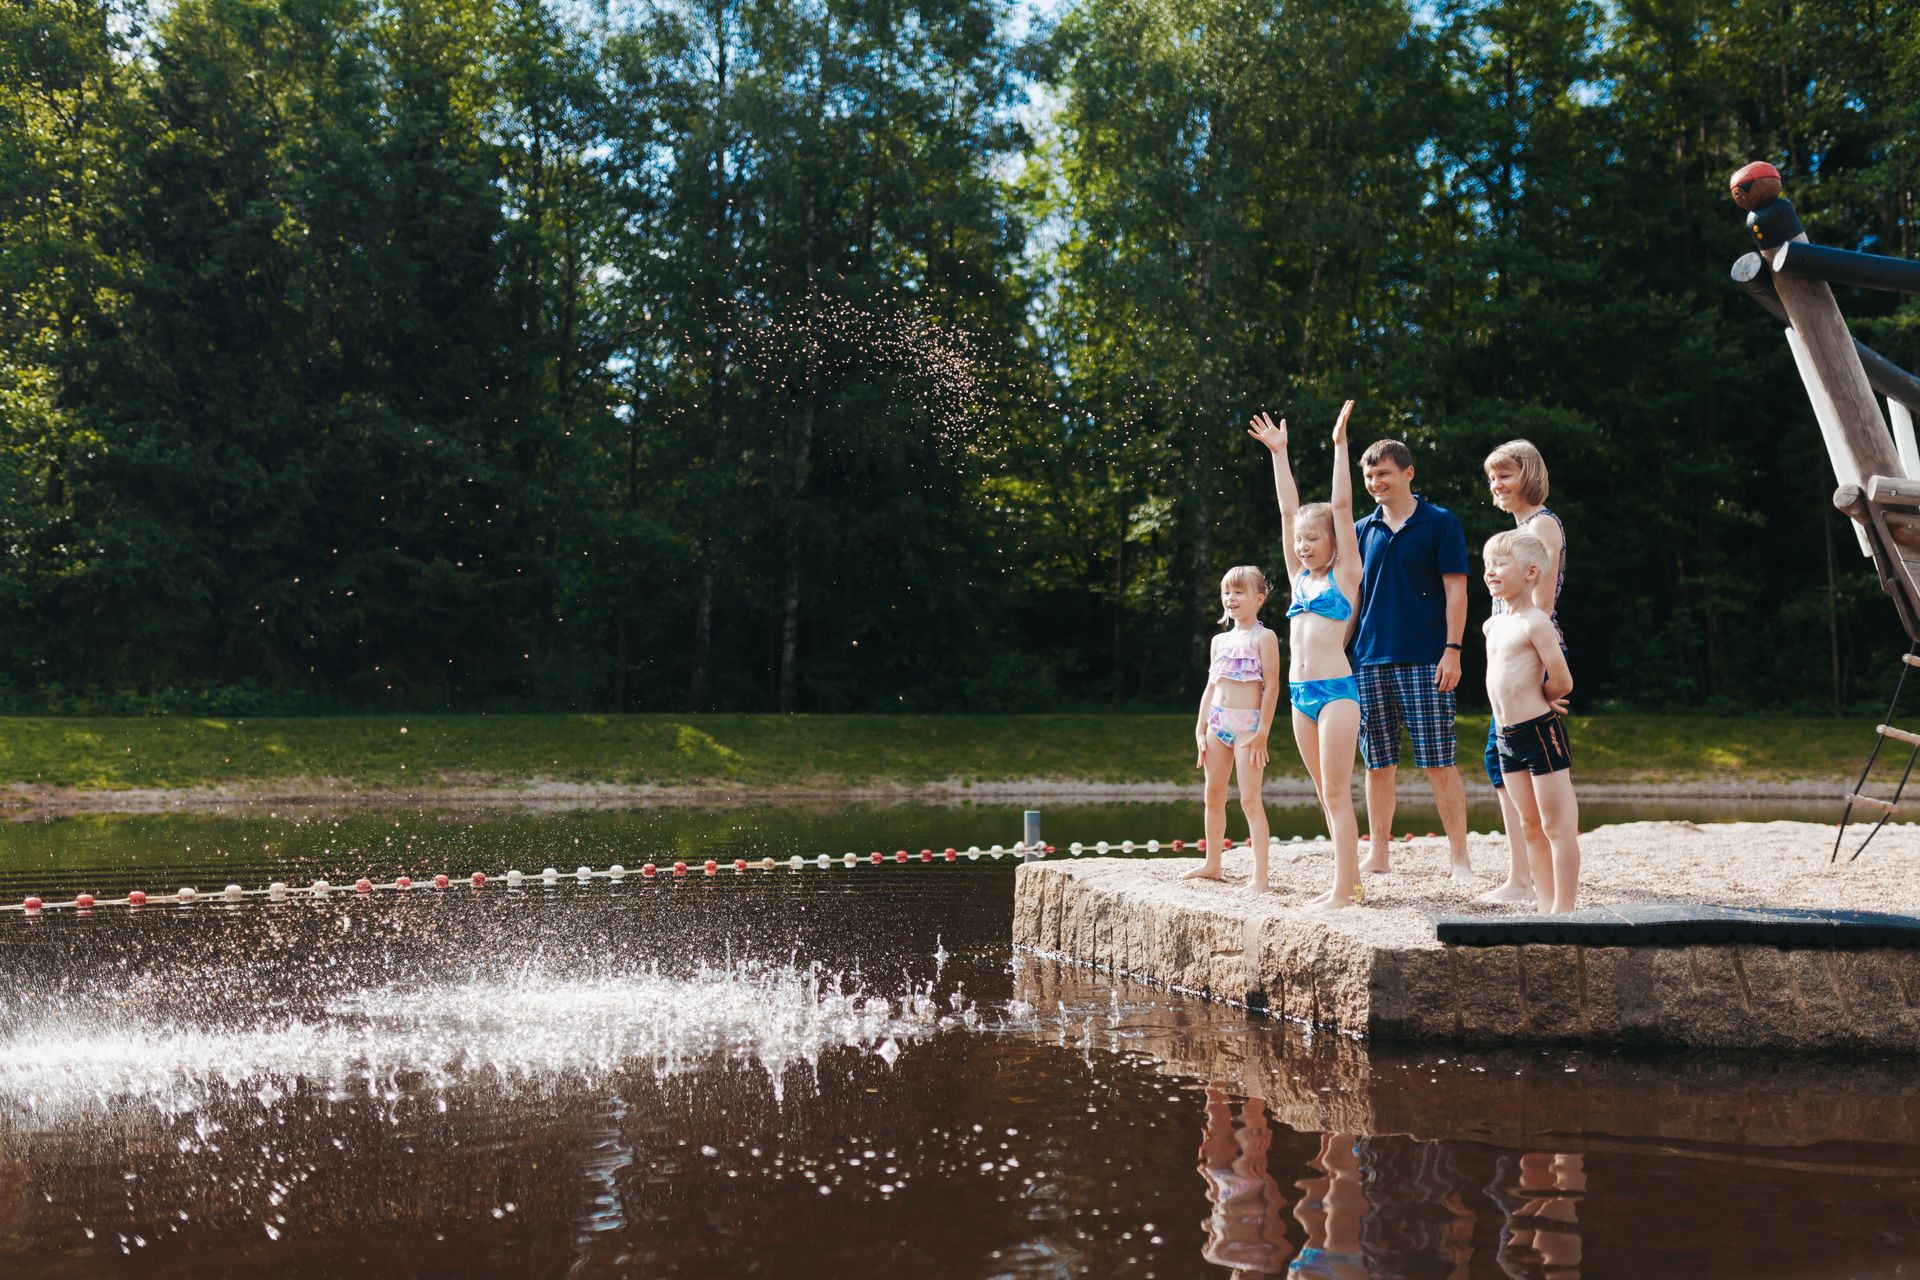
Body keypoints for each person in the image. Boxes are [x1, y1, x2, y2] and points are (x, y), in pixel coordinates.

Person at [1248, 401, 1364, 911]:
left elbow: (1340, 507)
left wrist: (1340, 447)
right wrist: (1279, 454)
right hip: (1300, 695)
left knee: (1337, 792)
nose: (1302, 544)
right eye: (1299, 541)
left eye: (1312, 539)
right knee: (1324, 795)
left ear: (1334, 542)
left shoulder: (1345, 575)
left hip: (1337, 693)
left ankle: (1348, 890)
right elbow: (1286, 510)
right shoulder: (1298, 579)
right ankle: (1346, 882)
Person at [1350, 439, 1474, 879]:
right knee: (1377, 763)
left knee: (1439, 761)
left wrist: (1453, 650)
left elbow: (1457, 591)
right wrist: (1336, 655)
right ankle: (1378, 853)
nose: (1375, 482)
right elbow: (1354, 598)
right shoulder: (1361, 529)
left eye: (1382, 473)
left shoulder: (1440, 522)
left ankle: (1459, 857)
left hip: (1426, 658)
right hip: (1369, 661)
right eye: (1368, 476)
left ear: (1408, 473)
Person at [1476, 440, 1568, 908]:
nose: (1497, 484)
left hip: (1530, 656)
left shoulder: (1542, 524)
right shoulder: (1515, 533)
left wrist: (1535, 681)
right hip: (1509, 656)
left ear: (1529, 474)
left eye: (1506, 475)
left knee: (1521, 764)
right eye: (1493, 478)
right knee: (1502, 764)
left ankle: (1525, 879)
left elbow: (1542, 603)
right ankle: (1522, 874)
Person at [1481, 529, 1581, 913]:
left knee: (1557, 826)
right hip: (1507, 738)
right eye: (1488, 565)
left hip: (1539, 733)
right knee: (1529, 826)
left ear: (1531, 572)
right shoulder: (1492, 626)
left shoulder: (1535, 623)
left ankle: (1565, 910)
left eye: (1501, 564)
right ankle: (1544, 906)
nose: (1491, 571)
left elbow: (1563, 679)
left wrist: (1544, 698)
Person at [1186, 566, 1283, 893]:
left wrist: (1262, 733)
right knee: (1212, 795)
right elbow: (1211, 687)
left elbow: (1271, 688)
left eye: (1239, 592)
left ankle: (1260, 877)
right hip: (1217, 723)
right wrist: (1200, 730)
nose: (1231, 598)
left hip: (1248, 728)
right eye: (1227, 592)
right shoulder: (1218, 641)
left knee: (1250, 800)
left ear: (1258, 598)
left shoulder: (1264, 637)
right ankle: (1213, 864)